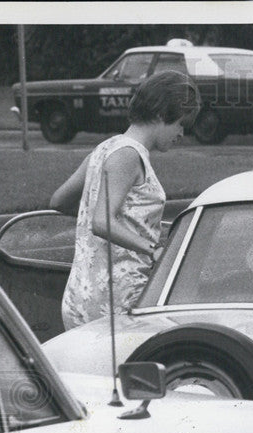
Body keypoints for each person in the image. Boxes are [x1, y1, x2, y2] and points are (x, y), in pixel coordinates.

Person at [50, 70, 199, 329]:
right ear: (163, 115)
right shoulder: (129, 156)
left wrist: (124, 223)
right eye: (181, 124)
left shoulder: (105, 148)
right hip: (117, 300)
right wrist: (153, 250)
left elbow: (59, 201)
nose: (182, 133)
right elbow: (102, 222)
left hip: (82, 296)